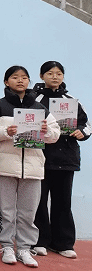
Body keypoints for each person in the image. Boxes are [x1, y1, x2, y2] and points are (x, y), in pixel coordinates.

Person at [0, 65, 60, 268]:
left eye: (24, 77)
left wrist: (46, 132)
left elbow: (55, 134)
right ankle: (7, 246)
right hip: (4, 166)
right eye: (15, 77)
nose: (20, 80)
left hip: (33, 167)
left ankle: (24, 248)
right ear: (6, 82)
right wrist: (6, 131)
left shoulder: (40, 108)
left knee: (28, 212)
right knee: (6, 210)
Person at [32, 60, 89, 259]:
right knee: (38, 202)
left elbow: (86, 124)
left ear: (63, 76)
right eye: (50, 73)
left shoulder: (72, 100)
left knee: (63, 202)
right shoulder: (34, 98)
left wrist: (82, 132)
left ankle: (63, 243)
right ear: (41, 76)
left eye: (58, 73)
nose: (54, 77)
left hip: (66, 158)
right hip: (39, 157)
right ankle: (39, 241)